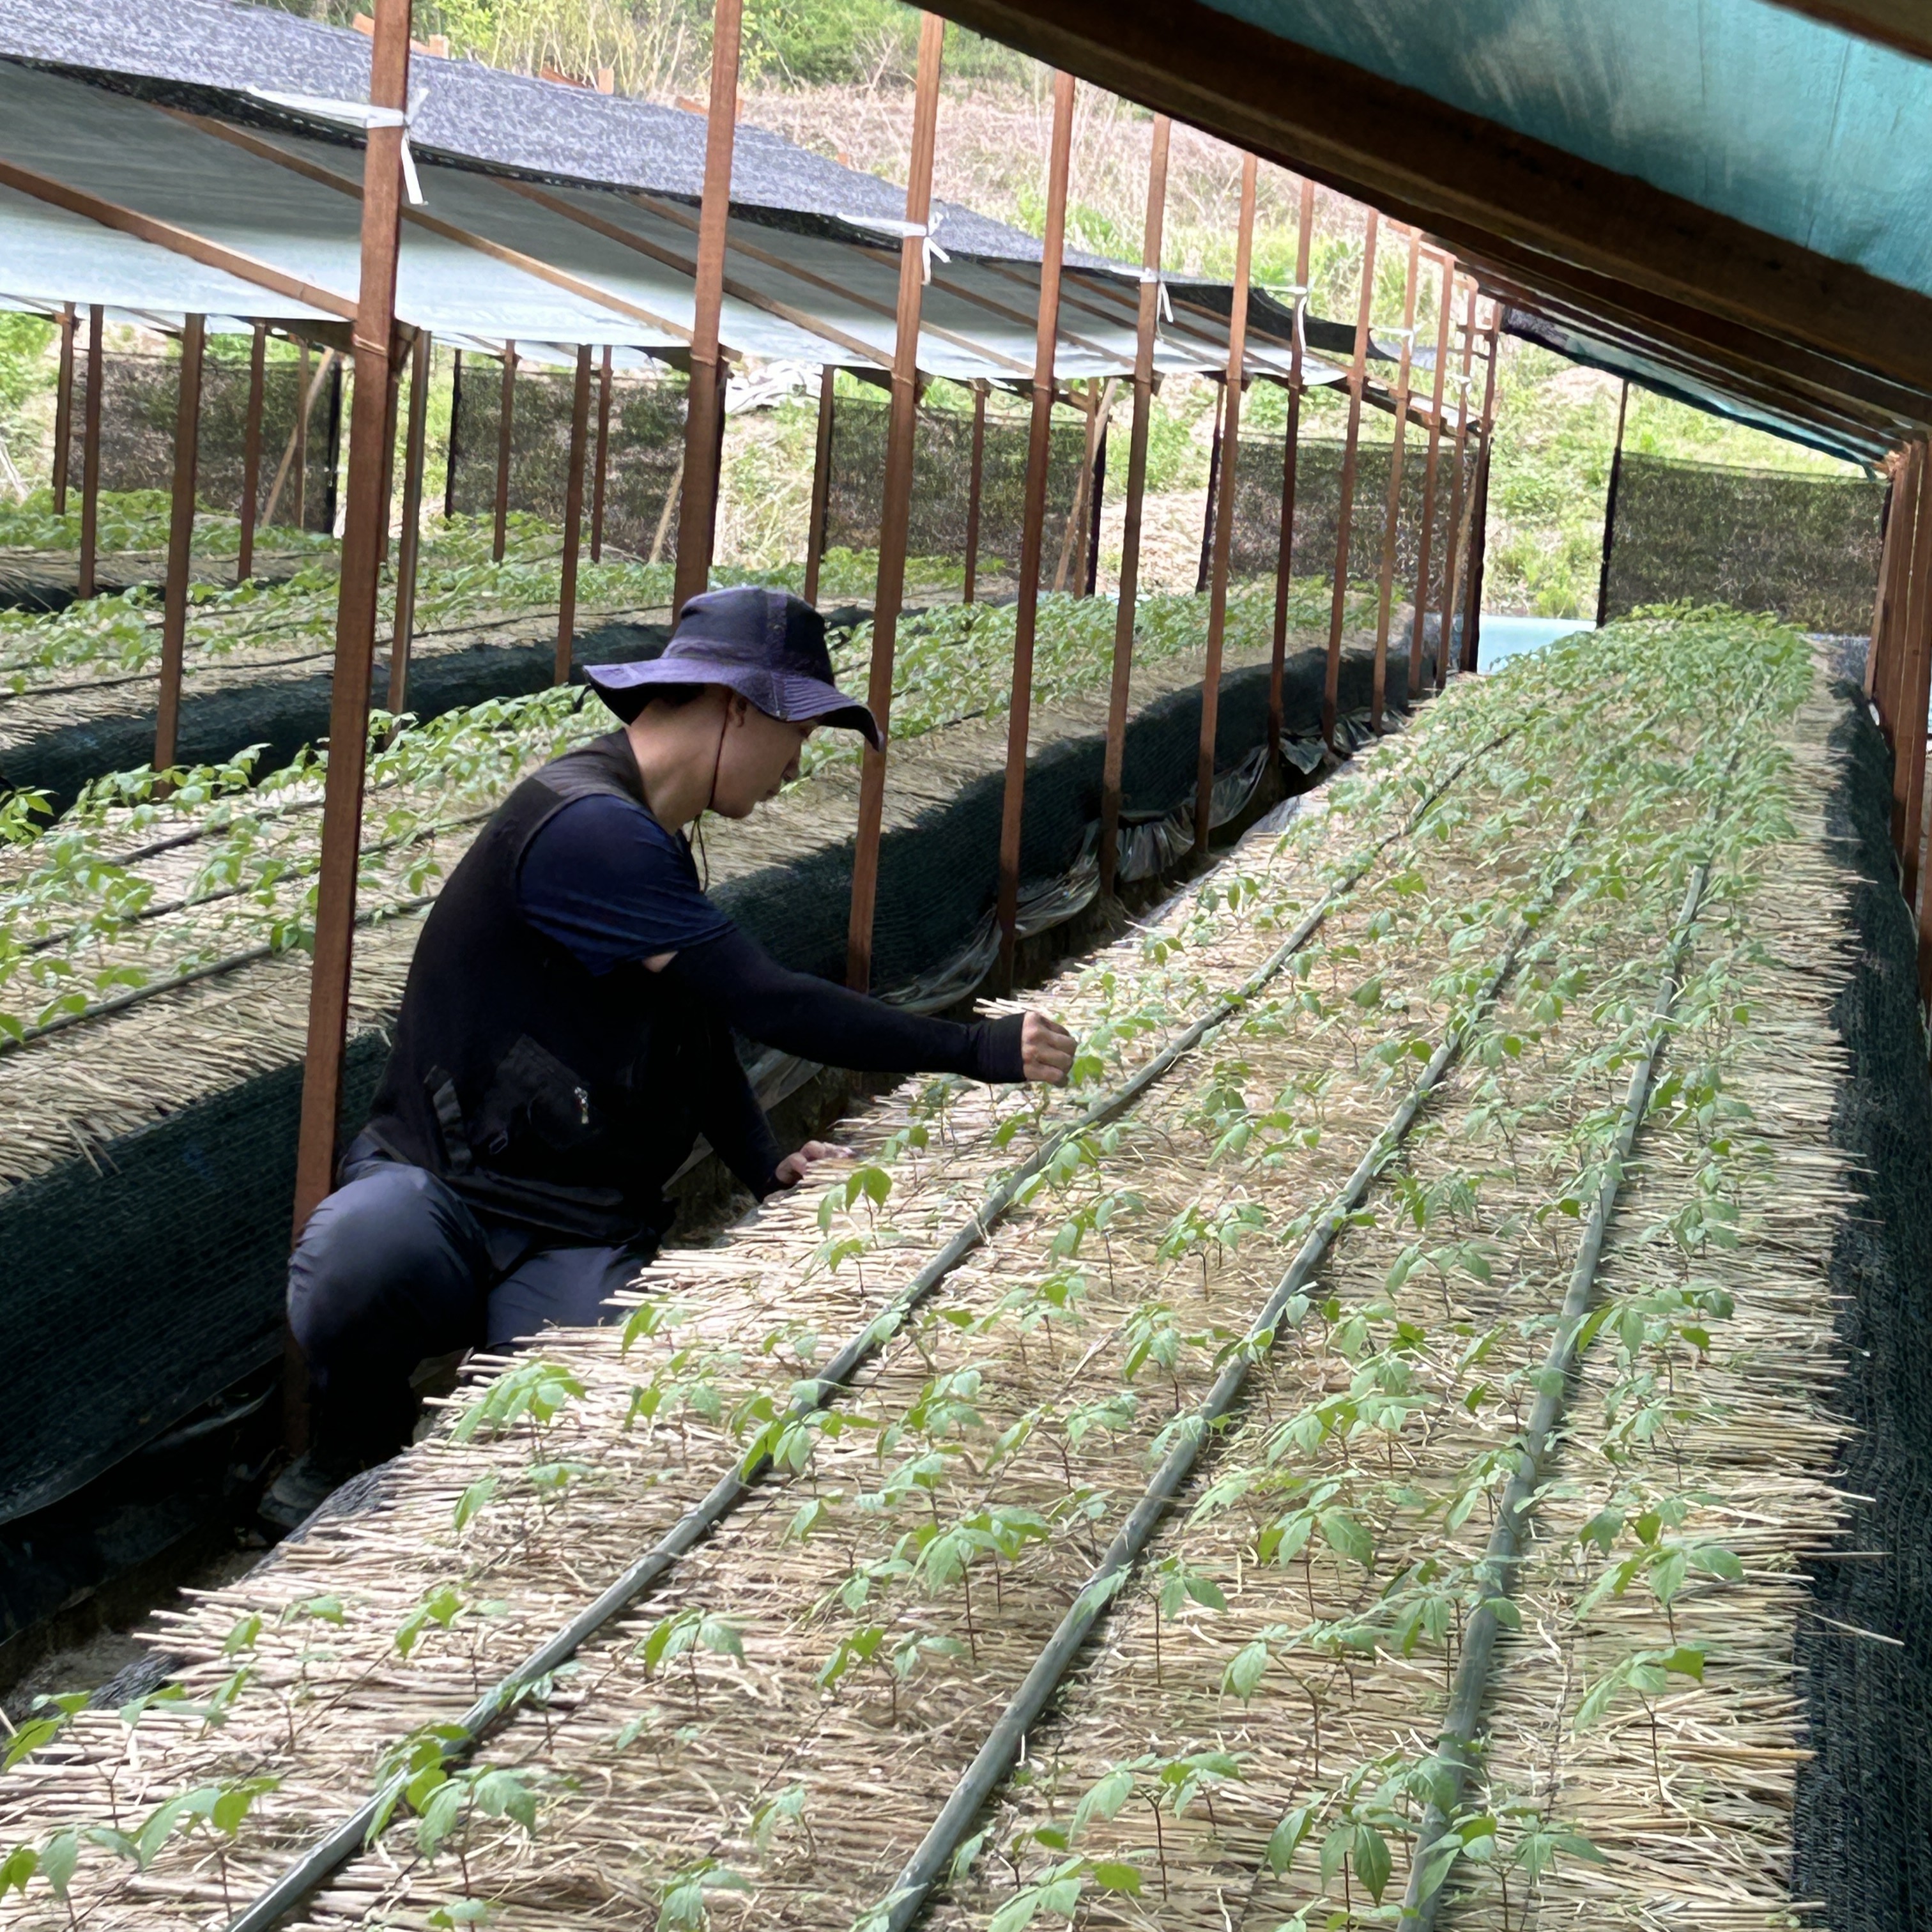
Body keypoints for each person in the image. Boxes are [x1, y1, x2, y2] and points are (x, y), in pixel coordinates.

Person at [262, 586, 1075, 1529]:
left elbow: (695, 1023)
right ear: (737, 707)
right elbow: (765, 999)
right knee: (362, 1257)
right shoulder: (587, 827)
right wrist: (977, 1048)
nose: (796, 765)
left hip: (578, 1222)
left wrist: (764, 1164)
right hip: (442, 1189)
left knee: (584, 1448)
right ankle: (351, 1444)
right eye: (797, 734)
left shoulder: (649, 836)